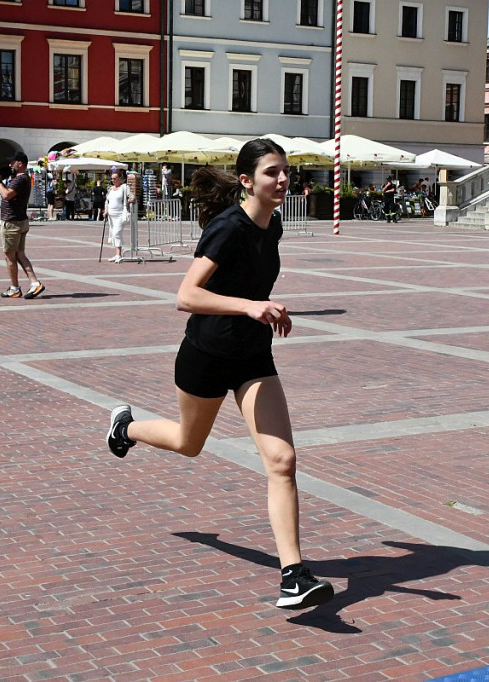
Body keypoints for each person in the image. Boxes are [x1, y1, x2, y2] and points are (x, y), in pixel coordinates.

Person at [105, 138, 335, 611]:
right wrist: (251, 306)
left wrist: (267, 313)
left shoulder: (273, 226)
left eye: (285, 171)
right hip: (206, 353)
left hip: (253, 357)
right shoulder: (227, 227)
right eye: (272, 172)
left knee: (282, 461)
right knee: (189, 443)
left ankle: (293, 574)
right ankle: (125, 427)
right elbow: (186, 295)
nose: (283, 179)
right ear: (247, 181)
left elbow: (253, 284)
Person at [0, 151, 45, 300]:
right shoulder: (21, 179)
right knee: (20, 254)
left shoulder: (20, 179)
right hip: (20, 221)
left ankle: (15, 288)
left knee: (9, 256)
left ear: (20, 163)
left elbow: (6, 195)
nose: (10, 165)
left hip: (12, 223)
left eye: (12, 162)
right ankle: (35, 283)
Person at [103, 170, 133, 264]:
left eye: (115, 178)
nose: (113, 180)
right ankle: (117, 254)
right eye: (112, 179)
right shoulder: (110, 188)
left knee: (116, 233)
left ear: (120, 178)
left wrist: (129, 200)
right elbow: (107, 201)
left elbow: (132, 196)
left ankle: (119, 255)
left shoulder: (124, 187)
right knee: (113, 234)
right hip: (111, 215)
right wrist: (106, 211)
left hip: (120, 214)